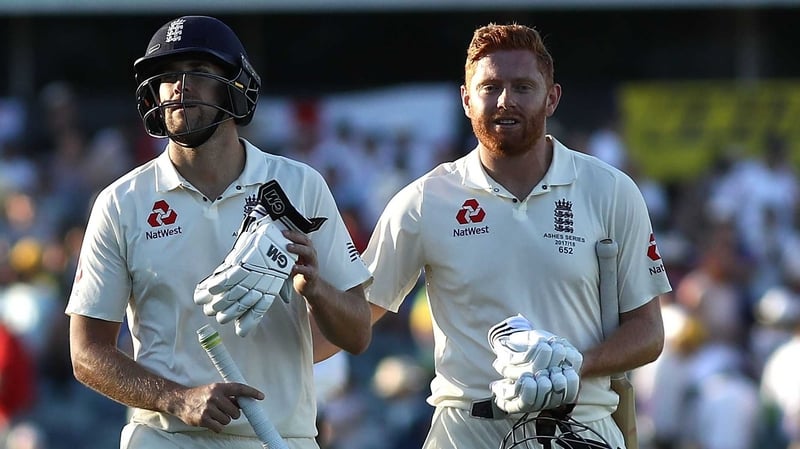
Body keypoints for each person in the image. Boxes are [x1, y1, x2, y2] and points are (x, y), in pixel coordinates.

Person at [357, 23, 671, 449]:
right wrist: (308, 287)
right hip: (466, 432)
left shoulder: (610, 190)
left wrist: (576, 365)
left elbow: (649, 331)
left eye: (523, 87)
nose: (506, 100)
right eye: (490, 87)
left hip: (580, 429)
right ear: (467, 100)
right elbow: (352, 318)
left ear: (552, 97)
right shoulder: (425, 198)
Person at [65, 15, 371, 449]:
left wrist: (316, 289)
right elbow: (86, 353)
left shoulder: (301, 186)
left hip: (281, 436)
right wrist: (176, 399)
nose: (178, 88)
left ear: (235, 86)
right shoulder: (121, 202)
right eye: (166, 76)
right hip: (165, 435)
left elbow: (358, 333)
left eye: (198, 74)